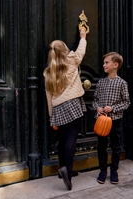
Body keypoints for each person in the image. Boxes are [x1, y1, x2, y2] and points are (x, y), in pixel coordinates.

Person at [43, 29, 87, 191]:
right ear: (65, 50)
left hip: (58, 107)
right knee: (71, 138)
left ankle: (63, 169)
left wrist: (51, 117)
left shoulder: (48, 72)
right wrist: (83, 37)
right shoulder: (72, 60)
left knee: (62, 139)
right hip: (72, 103)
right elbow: (81, 51)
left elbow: (49, 97)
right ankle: (67, 171)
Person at [92, 52, 130, 184]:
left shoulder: (122, 83)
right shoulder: (101, 82)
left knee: (116, 146)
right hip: (101, 120)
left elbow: (126, 102)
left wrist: (113, 108)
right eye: (104, 63)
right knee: (101, 146)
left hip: (115, 119)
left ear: (115, 64)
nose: (104, 65)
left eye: (106, 63)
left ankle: (114, 171)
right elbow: (95, 100)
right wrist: (97, 107)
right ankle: (103, 170)